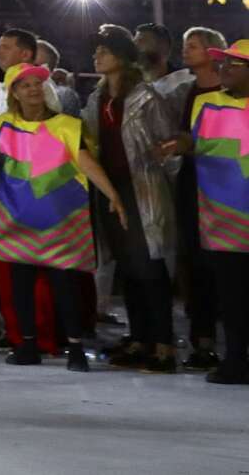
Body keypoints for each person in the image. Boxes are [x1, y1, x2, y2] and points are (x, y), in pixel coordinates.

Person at [0, 65, 126, 371]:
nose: (33, 89)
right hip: (16, 217)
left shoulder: (68, 125)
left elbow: (86, 163)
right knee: (20, 285)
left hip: (61, 220)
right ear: (14, 94)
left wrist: (112, 194)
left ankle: (75, 349)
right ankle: (28, 345)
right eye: (25, 85)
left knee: (65, 285)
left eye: (38, 83)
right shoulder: (3, 124)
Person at [84, 28, 181, 372]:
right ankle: (139, 338)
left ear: (122, 57)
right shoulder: (98, 98)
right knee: (128, 266)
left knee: (149, 266)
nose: (97, 57)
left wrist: (160, 171)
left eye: (104, 51)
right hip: (111, 190)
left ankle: (164, 345)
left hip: (141, 188)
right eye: (96, 51)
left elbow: (170, 146)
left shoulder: (146, 97)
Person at [159, 38, 249, 384]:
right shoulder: (205, 103)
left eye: (232, 64)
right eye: (222, 63)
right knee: (230, 294)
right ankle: (236, 359)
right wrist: (179, 145)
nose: (223, 69)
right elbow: (196, 142)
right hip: (222, 218)